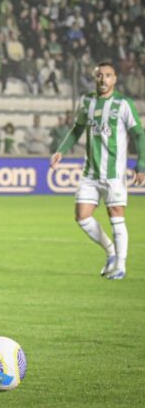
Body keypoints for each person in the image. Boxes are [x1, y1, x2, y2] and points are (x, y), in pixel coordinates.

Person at [50, 61, 145, 280]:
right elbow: (77, 129)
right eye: (99, 75)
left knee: (116, 217)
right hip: (90, 173)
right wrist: (61, 150)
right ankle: (111, 251)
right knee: (82, 217)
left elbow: (139, 135)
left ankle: (121, 265)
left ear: (115, 79)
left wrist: (141, 165)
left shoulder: (123, 103)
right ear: (95, 78)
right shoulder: (86, 101)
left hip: (113, 174)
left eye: (108, 75)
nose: (103, 79)